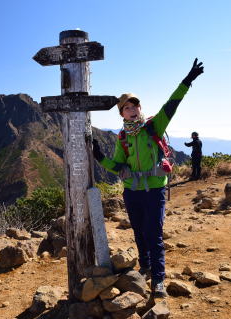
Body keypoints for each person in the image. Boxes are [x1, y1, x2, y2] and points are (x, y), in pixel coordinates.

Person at [92, 58, 204, 298]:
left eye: (135, 106)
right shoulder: (123, 137)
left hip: (154, 190)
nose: (133, 110)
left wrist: (187, 80)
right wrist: (100, 157)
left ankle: (159, 280)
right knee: (139, 232)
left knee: (153, 233)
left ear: (140, 108)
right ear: (122, 113)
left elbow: (172, 104)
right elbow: (118, 166)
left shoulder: (154, 125)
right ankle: (145, 267)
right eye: (127, 107)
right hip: (132, 191)